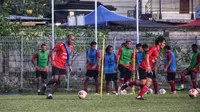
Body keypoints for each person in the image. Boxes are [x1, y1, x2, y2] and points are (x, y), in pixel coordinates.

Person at [45, 34, 74, 99]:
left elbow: (69, 57)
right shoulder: (61, 45)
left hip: (63, 66)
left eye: (73, 40)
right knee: (55, 79)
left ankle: (50, 94)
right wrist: (52, 60)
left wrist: (70, 66)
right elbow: (52, 51)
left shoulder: (71, 47)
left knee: (59, 81)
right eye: (71, 39)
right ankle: (45, 85)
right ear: (67, 39)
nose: (73, 41)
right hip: (56, 64)